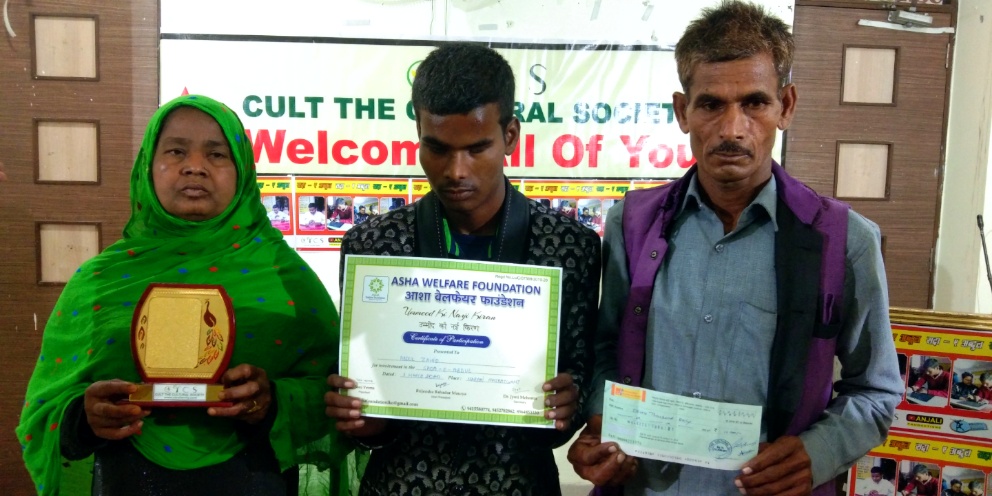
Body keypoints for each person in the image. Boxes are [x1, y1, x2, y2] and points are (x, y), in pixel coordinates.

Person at [567, 2, 903, 495]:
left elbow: (875, 389)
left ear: (785, 106)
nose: (731, 129)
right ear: (682, 111)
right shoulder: (633, 223)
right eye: (710, 105)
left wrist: (818, 452)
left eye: (754, 103)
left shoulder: (843, 240)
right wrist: (602, 422)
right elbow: (607, 348)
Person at [16, 95, 353, 495]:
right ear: (148, 165)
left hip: (254, 477)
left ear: (243, 171)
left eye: (217, 154)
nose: (195, 166)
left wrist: (273, 402)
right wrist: (83, 418)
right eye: (176, 151)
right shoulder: (99, 280)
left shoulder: (287, 279)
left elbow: (339, 396)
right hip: (127, 479)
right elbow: (45, 411)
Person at [323, 42, 601, 495]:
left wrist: (568, 404)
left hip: (518, 486)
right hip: (401, 486)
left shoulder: (569, 247)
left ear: (510, 135)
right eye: (436, 148)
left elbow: (578, 378)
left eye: (477, 148)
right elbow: (365, 403)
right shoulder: (373, 246)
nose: (455, 170)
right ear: (418, 133)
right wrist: (362, 419)